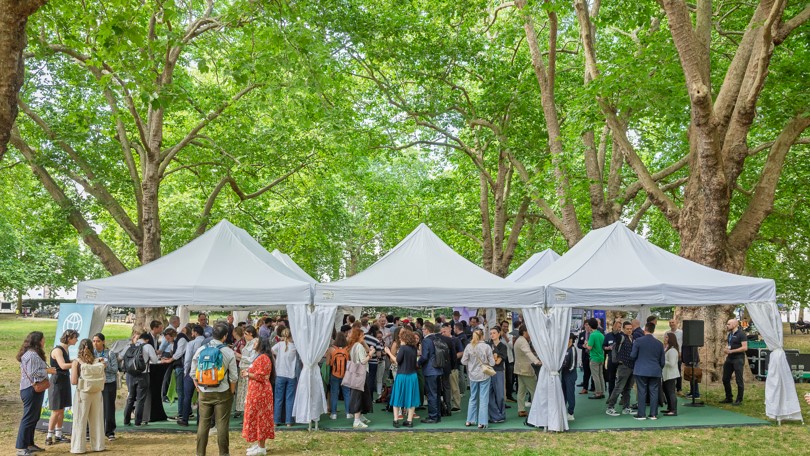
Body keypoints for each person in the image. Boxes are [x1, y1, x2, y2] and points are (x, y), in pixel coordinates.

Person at [191, 323, 239, 456]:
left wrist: (199, 387)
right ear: (225, 336)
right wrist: (232, 391)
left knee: (203, 423)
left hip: (204, 392)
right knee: (222, 424)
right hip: (223, 392)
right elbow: (234, 377)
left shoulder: (201, 349)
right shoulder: (228, 351)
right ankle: (224, 453)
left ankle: (200, 453)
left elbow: (193, 372)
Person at [17, 331, 56, 456]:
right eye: (43, 339)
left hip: (30, 389)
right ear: (38, 341)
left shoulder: (30, 354)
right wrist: (48, 371)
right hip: (31, 389)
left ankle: (29, 444)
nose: (44, 341)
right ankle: (21, 448)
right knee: (28, 418)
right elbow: (34, 373)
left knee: (33, 418)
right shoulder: (32, 355)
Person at [70, 338, 106, 454]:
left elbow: (74, 381)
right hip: (97, 392)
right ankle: (98, 445)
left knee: (80, 419)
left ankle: (78, 447)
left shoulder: (77, 362)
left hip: (83, 393)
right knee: (97, 419)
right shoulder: (98, 361)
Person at [242, 338, 275, 456]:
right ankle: (259, 444)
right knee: (256, 417)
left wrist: (247, 374)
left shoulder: (263, 358)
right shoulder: (261, 357)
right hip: (257, 391)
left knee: (260, 417)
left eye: (256, 342)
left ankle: (261, 447)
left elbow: (262, 376)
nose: (254, 344)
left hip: (260, 393)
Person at [46, 328, 79, 446]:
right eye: (75, 338)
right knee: (56, 410)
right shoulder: (58, 350)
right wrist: (77, 364)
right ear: (69, 338)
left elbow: (67, 362)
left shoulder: (65, 349)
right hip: (57, 381)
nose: (77, 340)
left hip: (64, 380)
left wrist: (76, 360)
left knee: (62, 409)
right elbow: (63, 365)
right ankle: (49, 436)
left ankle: (58, 434)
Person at [123, 332, 161, 427]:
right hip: (143, 375)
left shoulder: (129, 346)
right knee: (140, 399)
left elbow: (121, 356)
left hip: (130, 375)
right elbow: (155, 361)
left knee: (130, 397)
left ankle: (126, 420)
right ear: (147, 339)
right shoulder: (148, 346)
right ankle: (137, 422)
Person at [385, 328, 420, 428]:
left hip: (402, 376)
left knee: (397, 396)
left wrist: (388, 352)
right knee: (411, 397)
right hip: (412, 376)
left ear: (405, 338)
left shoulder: (403, 348)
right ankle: (409, 420)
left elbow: (397, 361)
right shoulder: (414, 348)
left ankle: (396, 420)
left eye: (401, 338)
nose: (400, 340)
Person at [630, 322, 665, 420]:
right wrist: (658, 368)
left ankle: (641, 414)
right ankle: (653, 414)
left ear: (645, 329)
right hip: (655, 370)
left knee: (642, 391)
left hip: (641, 370)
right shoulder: (659, 344)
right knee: (654, 391)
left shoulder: (638, 341)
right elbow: (662, 361)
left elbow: (633, 356)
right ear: (653, 330)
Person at [461, 329, 495, 429]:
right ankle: (482, 422)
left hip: (472, 375)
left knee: (473, 397)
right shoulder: (487, 347)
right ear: (482, 336)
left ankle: (470, 420)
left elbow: (463, 361)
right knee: (484, 398)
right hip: (484, 374)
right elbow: (492, 362)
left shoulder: (469, 346)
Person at [91, 333, 119, 441]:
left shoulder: (110, 353)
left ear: (103, 341)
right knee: (95, 408)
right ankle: (95, 430)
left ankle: (110, 431)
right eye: (94, 341)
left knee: (109, 408)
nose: (95, 343)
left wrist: (105, 366)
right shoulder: (91, 353)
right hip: (95, 383)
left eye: (98, 341)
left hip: (108, 383)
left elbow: (115, 369)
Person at [606, 321, 635, 417]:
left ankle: (626, 408)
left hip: (631, 367)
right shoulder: (620, 337)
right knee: (619, 387)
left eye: (631, 329)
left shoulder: (632, 338)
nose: (629, 330)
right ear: (623, 329)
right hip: (623, 367)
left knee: (628, 389)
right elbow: (615, 333)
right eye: (627, 329)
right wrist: (615, 327)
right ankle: (610, 407)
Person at [347, 327, 375, 428]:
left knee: (361, 395)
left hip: (356, 373)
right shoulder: (358, 346)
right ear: (358, 336)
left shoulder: (354, 345)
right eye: (362, 335)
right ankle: (357, 420)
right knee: (359, 396)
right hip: (361, 373)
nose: (364, 337)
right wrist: (370, 354)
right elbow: (363, 361)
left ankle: (360, 416)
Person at [271, 328, 298, 427]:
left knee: (278, 398)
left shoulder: (279, 345)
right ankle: (288, 421)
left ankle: (276, 420)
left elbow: (271, 351)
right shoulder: (295, 347)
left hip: (280, 374)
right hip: (291, 375)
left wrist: (277, 357)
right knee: (290, 398)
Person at [179, 324, 205, 426]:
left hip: (192, 371)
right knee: (201, 397)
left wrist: (186, 371)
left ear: (194, 332)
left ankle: (185, 419)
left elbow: (188, 359)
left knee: (187, 396)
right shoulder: (207, 343)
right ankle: (200, 420)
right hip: (204, 372)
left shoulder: (191, 343)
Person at [418, 321, 443, 424]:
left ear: (427, 330)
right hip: (438, 369)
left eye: (423, 329)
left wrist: (418, 363)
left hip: (430, 370)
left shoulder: (426, 340)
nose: (422, 331)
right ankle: (437, 415)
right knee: (436, 394)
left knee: (431, 394)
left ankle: (432, 417)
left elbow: (424, 356)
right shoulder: (437, 338)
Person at [513, 325, 540, 418]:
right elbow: (528, 353)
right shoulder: (523, 341)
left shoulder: (519, 340)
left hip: (519, 369)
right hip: (526, 369)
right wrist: (537, 361)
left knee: (521, 391)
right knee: (534, 390)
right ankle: (536, 411)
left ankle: (521, 410)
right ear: (525, 331)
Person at [721, 318, 748, 405]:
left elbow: (745, 347)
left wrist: (732, 351)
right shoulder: (730, 334)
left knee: (739, 380)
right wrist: (727, 350)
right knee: (725, 378)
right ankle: (729, 397)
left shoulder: (741, 334)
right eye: (727, 324)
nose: (727, 325)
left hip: (738, 359)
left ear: (735, 324)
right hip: (729, 358)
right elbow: (730, 345)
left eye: (729, 324)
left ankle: (739, 399)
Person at [326, 332, 351, 420]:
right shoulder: (347, 349)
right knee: (347, 393)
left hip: (334, 374)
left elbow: (327, 363)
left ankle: (333, 413)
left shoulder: (331, 349)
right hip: (346, 374)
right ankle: (348, 413)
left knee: (334, 394)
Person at [236, 325, 258, 419]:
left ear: (251, 334)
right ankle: (246, 415)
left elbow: (252, 358)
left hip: (248, 370)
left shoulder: (255, 342)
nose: (244, 336)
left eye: (245, 334)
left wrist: (240, 356)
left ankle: (249, 415)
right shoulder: (248, 343)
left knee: (247, 394)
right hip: (243, 369)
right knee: (243, 394)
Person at [487, 326, 507, 423]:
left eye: (494, 333)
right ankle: (495, 416)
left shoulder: (503, 346)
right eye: (490, 333)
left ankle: (501, 415)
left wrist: (494, 358)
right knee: (489, 395)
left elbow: (498, 362)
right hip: (488, 371)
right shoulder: (487, 345)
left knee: (500, 395)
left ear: (499, 334)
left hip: (498, 371)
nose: (492, 335)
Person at [584, 318, 606, 399]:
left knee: (595, 376)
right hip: (601, 357)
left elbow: (589, 347)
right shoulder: (601, 334)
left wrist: (585, 344)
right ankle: (602, 391)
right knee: (600, 375)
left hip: (594, 358)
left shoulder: (592, 335)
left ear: (590, 326)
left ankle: (598, 393)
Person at [560, 333, 578, 421]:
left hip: (570, 374)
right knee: (563, 393)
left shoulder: (573, 349)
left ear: (571, 340)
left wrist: (567, 370)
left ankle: (571, 413)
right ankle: (563, 411)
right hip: (564, 374)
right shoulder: (564, 349)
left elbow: (573, 365)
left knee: (570, 393)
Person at [662, 332, 680, 416]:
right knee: (666, 391)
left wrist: (662, 361)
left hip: (671, 375)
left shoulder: (672, 350)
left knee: (671, 392)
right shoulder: (667, 348)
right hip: (666, 374)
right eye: (665, 337)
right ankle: (669, 408)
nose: (665, 339)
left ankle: (673, 410)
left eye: (666, 338)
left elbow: (672, 363)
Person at [500, 320, 517, 403]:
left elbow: (511, 346)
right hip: (501, 360)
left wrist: (505, 337)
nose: (506, 328)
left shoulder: (510, 336)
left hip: (509, 359)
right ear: (501, 327)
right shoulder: (498, 336)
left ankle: (509, 395)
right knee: (502, 379)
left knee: (510, 379)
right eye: (504, 326)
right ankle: (502, 396)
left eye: (507, 326)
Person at [665, 318, 684, 392]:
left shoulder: (681, 332)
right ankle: (670, 387)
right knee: (670, 370)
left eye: (673, 322)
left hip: (678, 354)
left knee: (677, 370)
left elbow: (683, 344)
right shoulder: (667, 332)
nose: (671, 324)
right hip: (669, 352)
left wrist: (680, 352)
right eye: (670, 323)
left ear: (676, 323)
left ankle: (679, 388)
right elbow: (665, 343)